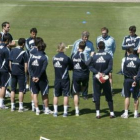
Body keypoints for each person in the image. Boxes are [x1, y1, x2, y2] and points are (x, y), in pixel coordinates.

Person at [87, 41, 115, 119]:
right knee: (108, 95)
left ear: (98, 47)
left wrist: (98, 73)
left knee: (97, 96)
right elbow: (110, 67)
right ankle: (112, 113)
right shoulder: (108, 56)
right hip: (105, 78)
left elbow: (90, 67)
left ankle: (98, 113)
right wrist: (104, 73)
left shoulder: (94, 56)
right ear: (104, 47)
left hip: (96, 78)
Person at [28, 42, 52, 115]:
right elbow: (43, 69)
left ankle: (37, 109)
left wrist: (32, 76)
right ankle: (46, 109)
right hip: (42, 79)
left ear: (37, 48)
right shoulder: (45, 57)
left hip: (33, 79)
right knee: (44, 94)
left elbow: (29, 68)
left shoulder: (32, 56)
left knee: (35, 94)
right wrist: (38, 77)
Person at [71, 31, 95, 99]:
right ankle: (73, 93)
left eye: (87, 37)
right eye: (85, 37)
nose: (86, 38)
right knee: (75, 79)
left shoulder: (90, 44)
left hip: (86, 64)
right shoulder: (77, 42)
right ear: (82, 37)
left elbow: (92, 52)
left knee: (85, 80)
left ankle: (85, 94)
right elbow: (72, 53)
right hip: (77, 63)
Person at [53, 43, 72, 117]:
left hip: (57, 79)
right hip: (65, 79)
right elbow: (71, 66)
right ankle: (65, 112)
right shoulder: (66, 58)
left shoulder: (54, 57)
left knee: (56, 95)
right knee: (66, 95)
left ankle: (55, 112)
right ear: (64, 48)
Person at [9, 38, 28, 112]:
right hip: (21, 73)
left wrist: (11, 70)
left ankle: (12, 106)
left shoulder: (12, 50)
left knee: (13, 89)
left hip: (13, 72)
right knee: (21, 90)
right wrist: (25, 73)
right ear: (23, 44)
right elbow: (26, 65)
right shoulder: (24, 53)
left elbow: (10, 62)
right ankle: (20, 107)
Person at [121, 47, 140, 118]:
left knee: (127, 96)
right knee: (136, 97)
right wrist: (135, 78)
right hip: (136, 81)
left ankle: (126, 113)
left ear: (127, 52)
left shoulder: (125, 59)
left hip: (127, 80)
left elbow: (123, 71)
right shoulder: (138, 60)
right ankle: (135, 113)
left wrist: (130, 77)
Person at [71, 41, 89, 116]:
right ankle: (80, 91)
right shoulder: (83, 54)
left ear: (78, 46)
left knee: (76, 93)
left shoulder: (73, 54)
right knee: (84, 86)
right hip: (84, 74)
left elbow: (71, 63)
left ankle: (77, 111)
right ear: (84, 48)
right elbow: (86, 63)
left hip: (76, 75)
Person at [96, 27, 116, 93]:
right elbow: (97, 48)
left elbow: (113, 48)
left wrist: (110, 56)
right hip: (100, 59)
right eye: (102, 33)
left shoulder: (112, 39)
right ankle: (100, 89)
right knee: (100, 74)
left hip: (108, 59)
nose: (103, 34)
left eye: (105, 33)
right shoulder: (98, 39)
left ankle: (110, 89)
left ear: (107, 33)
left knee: (109, 74)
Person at [0, 34, 11, 109]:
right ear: (7, 40)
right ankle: (1, 104)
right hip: (4, 70)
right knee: (3, 86)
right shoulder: (6, 49)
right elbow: (9, 61)